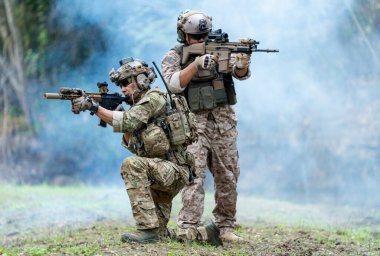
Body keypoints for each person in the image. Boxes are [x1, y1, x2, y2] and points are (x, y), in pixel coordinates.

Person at [70, 57, 221, 245]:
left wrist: (93, 107)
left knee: (130, 165)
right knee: (161, 234)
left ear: (141, 80)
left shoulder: (155, 97)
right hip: (162, 172)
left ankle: (146, 230)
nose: (123, 89)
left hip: (174, 169)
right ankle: (206, 234)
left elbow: (128, 121)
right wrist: (114, 114)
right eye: (120, 85)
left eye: (126, 83)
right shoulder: (140, 107)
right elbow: (134, 144)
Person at [161, 10, 252, 243]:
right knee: (193, 176)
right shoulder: (175, 55)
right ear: (184, 35)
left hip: (223, 124)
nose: (201, 41)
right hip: (192, 126)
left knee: (228, 175)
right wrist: (196, 65)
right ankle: (190, 226)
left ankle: (225, 227)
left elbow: (239, 73)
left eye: (204, 36)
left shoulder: (220, 48)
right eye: (196, 38)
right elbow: (172, 84)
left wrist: (242, 62)